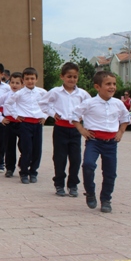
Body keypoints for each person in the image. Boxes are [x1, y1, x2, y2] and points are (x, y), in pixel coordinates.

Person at [71, 71, 130, 213]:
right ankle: (90, 192)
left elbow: (125, 118)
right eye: (108, 84)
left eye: (114, 84)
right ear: (97, 87)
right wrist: (82, 129)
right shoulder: (89, 103)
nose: (112, 87)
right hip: (94, 141)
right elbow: (74, 116)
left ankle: (106, 199)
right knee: (88, 165)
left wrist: (120, 132)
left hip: (111, 143)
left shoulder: (118, 104)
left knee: (110, 173)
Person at [39, 62, 91, 197]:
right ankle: (59, 184)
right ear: (62, 76)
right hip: (61, 128)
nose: (72, 80)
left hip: (75, 130)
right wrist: (52, 113)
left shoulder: (82, 94)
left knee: (75, 158)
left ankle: (73, 184)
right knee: (59, 157)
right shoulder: (55, 92)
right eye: (69, 76)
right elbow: (42, 103)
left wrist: (82, 117)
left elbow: (90, 107)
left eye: (75, 77)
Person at [4, 67, 47, 184]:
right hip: (25, 124)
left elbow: (50, 103)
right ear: (23, 80)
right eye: (27, 79)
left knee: (37, 149)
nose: (30, 81)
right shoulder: (19, 93)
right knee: (26, 148)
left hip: (37, 123)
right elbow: (8, 103)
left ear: (36, 79)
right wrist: (15, 115)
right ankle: (24, 173)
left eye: (32, 78)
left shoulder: (42, 92)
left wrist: (45, 116)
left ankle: (33, 172)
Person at [0, 72, 24, 178]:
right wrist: (0, 118)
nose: (14, 85)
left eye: (17, 83)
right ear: (9, 83)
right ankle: (10, 168)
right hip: (9, 123)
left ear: (22, 84)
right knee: (9, 146)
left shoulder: (24, 96)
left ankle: (23, 162)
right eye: (12, 82)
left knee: (24, 146)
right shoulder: (5, 96)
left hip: (22, 123)